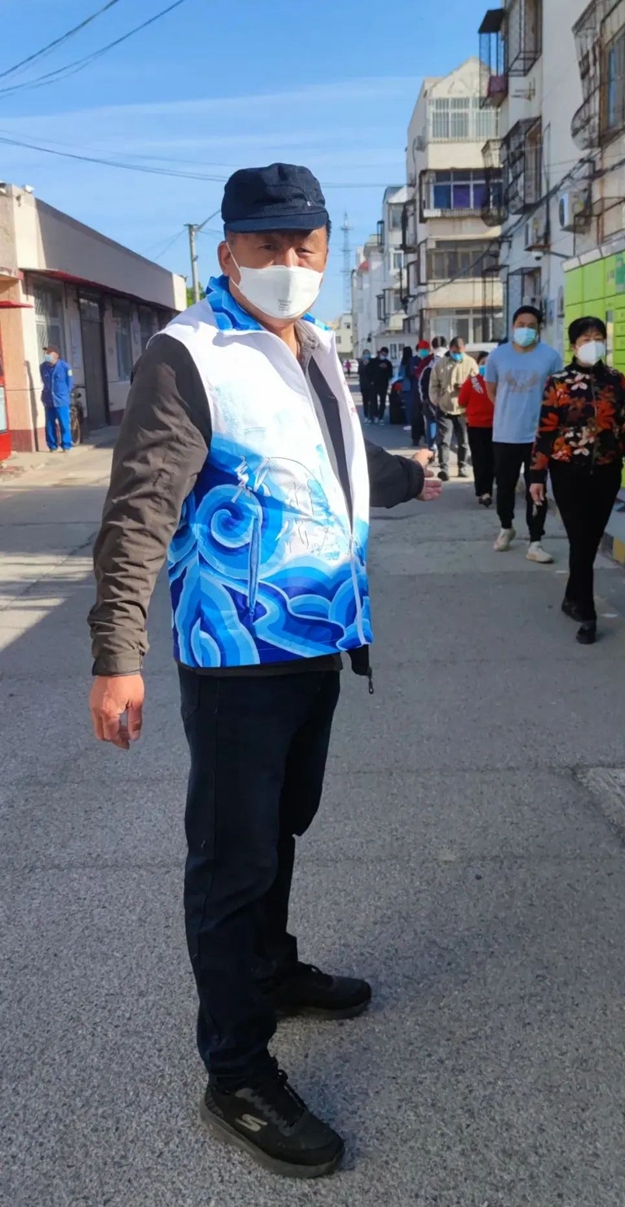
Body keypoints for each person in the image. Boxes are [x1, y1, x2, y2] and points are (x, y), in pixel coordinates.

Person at [88, 162, 441, 1181]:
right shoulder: (190, 353)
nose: (289, 261)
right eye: (267, 244)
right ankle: (235, 1070)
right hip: (236, 657)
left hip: (316, 643)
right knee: (230, 860)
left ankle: (273, 971)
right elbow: (139, 511)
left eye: (305, 244)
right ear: (228, 250)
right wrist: (117, 653)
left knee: (282, 826)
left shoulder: (314, 345)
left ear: (324, 249)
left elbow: (321, 462)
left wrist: (406, 477)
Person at [531, 316, 625, 645]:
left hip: (607, 472)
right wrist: (537, 475)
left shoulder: (615, 380)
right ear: (573, 345)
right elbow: (545, 430)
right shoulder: (558, 382)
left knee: (588, 542)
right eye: (586, 339)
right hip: (568, 472)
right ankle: (588, 613)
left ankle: (572, 596)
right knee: (580, 540)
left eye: (598, 338)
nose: (593, 343)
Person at [484, 306, 563, 562]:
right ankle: (506, 526)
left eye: (531, 326)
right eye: (521, 324)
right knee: (504, 487)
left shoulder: (550, 357)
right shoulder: (498, 356)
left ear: (539, 329)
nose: (525, 329)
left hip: (538, 436)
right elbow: (491, 390)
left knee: (536, 489)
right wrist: (508, 410)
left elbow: (557, 394)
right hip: (505, 434)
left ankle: (535, 541)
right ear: (512, 326)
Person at [429, 336, 478, 481]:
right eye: (455, 352)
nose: (457, 354)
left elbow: (477, 383)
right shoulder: (440, 364)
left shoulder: (470, 363)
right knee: (444, 440)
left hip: (463, 410)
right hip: (445, 407)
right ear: (450, 349)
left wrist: (466, 388)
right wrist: (437, 401)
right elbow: (433, 384)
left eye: (460, 352)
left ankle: (462, 466)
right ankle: (444, 468)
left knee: (463, 441)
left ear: (464, 350)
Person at [458, 351, 494, 506]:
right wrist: (467, 416)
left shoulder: (497, 383)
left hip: (495, 427)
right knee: (479, 460)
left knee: (491, 460)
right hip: (476, 427)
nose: (486, 366)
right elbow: (461, 401)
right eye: (483, 363)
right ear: (478, 365)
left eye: (488, 363)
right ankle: (483, 491)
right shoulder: (471, 382)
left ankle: (488, 490)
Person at [40, 344, 74, 453]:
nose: (47, 355)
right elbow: (44, 381)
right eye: (46, 353)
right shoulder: (43, 367)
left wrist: (64, 394)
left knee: (64, 423)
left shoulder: (65, 367)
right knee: (49, 424)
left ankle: (66, 445)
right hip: (48, 399)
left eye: (49, 353)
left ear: (56, 355)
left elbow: (70, 383)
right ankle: (52, 446)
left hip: (61, 400)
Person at [369, 345, 393, 422]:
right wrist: (371, 381)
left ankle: (381, 416)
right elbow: (368, 372)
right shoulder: (373, 361)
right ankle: (375, 415)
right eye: (383, 354)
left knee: (383, 401)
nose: (384, 356)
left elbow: (390, 374)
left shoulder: (388, 363)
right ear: (380, 353)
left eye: (385, 355)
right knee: (373, 400)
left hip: (383, 384)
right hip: (374, 384)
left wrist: (386, 368)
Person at [358, 348, 373, 423]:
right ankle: (366, 416)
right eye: (365, 354)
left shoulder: (372, 363)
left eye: (368, 354)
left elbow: (372, 372)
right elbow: (360, 372)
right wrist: (364, 364)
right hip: (363, 385)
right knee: (365, 401)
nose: (366, 355)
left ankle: (371, 416)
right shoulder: (361, 363)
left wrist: (368, 364)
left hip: (371, 385)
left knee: (371, 401)